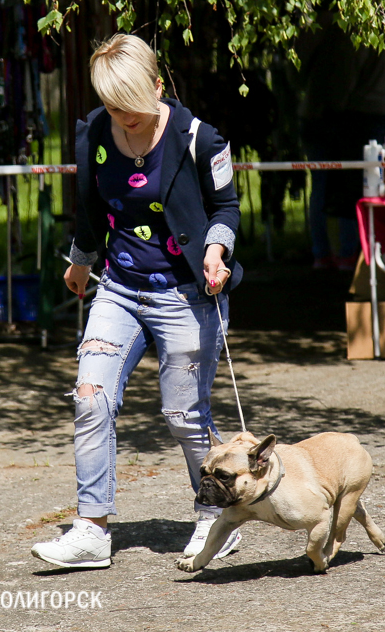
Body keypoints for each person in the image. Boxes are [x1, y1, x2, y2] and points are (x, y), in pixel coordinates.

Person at [30, 34, 243, 569]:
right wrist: (80, 260)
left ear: (156, 85)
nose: (122, 115)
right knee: (89, 394)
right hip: (119, 289)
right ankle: (91, 530)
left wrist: (216, 249)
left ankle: (216, 519)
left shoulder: (201, 139)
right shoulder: (93, 134)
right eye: (111, 104)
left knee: (183, 413)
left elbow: (227, 208)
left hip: (186, 295)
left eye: (131, 103)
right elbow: (90, 208)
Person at [298, 11, 385, 271]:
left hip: (332, 110)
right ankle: (350, 253)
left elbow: (343, 71)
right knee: (355, 184)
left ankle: (334, 253)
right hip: (354, 110)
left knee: (334, 184)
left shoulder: (344, 20)